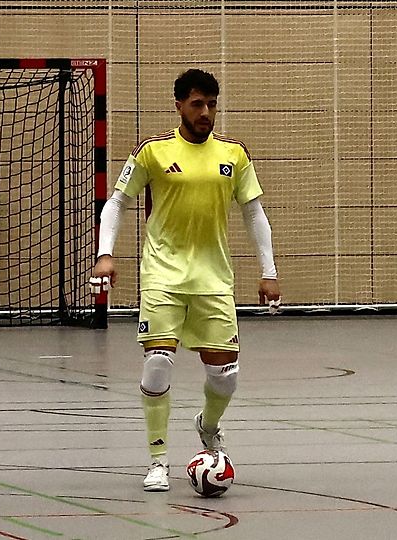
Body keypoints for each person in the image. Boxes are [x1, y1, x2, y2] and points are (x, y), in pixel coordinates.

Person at [89, 68, 282, 492]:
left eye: (212, 104)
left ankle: (207, 425)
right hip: (162, 275)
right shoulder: (153, 152)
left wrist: (268, 273)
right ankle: (158, 460)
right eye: (197, 104)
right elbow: (117, 203)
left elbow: (254, 213)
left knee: (225, 375)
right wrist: (105, 255)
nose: (205, 112)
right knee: (158, 363)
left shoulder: (234, 154)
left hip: (214, 279)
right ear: (179, 105)